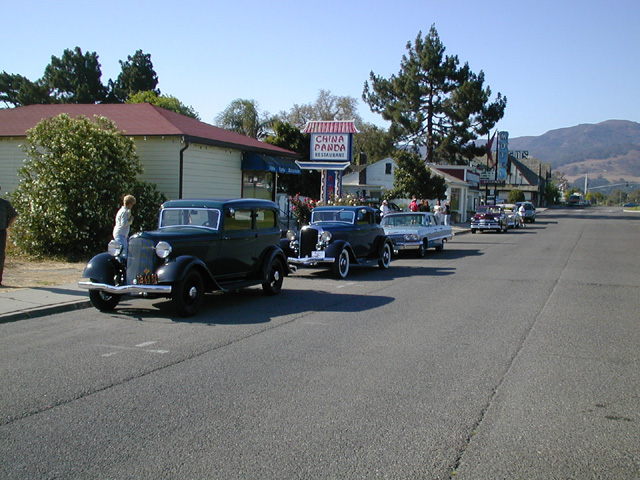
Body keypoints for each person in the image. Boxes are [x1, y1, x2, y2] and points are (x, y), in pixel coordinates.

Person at [0, 185, 18, 286]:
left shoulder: (5, 203)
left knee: (0, 256)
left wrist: (7, 225)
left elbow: (13, 215)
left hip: (1, 232)